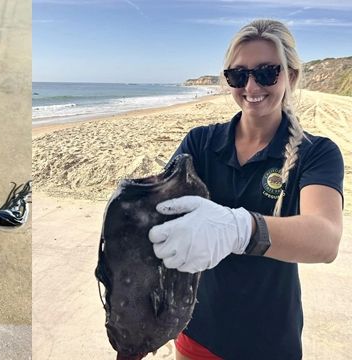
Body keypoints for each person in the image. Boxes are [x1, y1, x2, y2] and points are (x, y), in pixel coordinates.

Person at [147, 19, 344, 360]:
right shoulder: (200, 143)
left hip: (269, 342)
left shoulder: (316, 153)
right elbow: (157, 216)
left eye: (267, 73)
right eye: (238, 75)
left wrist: (241, 229)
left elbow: (326, 239)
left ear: (291, 76)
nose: (251, 85)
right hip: (197, 333)